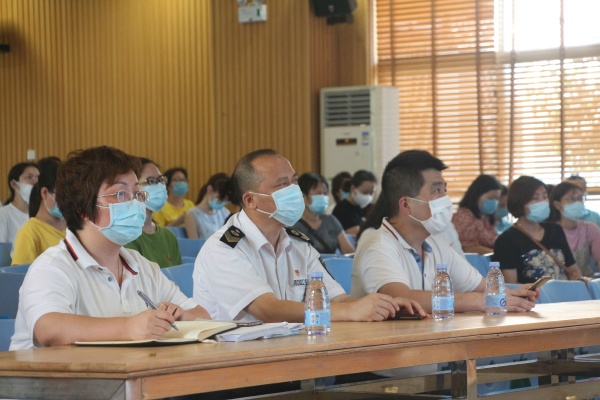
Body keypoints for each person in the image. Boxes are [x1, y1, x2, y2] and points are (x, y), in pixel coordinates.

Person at [10, 146, 209, 350]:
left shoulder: (142, 266)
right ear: (83, 208)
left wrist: (179, 315)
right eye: (120, 193)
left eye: (137, 193)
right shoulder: (52, 267)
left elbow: (203, 317)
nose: (135, 203)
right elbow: (49, 329)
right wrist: (129, 328)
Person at [193, 149, 426, 323]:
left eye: (294, 181)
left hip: (293, 354)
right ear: (251, 200)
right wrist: (350, 311)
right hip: (237, 365)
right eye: (282, 185)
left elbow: (336, 299)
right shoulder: (223, 249)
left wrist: (387, 306)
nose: (295, 190)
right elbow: (268, 311)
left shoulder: (298, 244)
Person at [352, 150, 537, 313]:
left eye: (444, 190)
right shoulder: (377, 245)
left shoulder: (435, 244)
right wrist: (479, 301)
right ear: (406, 204)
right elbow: (402, 299)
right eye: (436, 190)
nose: (445, 199)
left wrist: (515, 295)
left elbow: (484, 289)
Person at [493, 176, 584, 284]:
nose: (542, 202)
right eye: (535, 198)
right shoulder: (506, 240)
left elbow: (573, 270)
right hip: (533, 294)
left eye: (545, 197)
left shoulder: (555, 230)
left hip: (564, 292)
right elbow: (512, 285)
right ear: (519, 202)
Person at [124, 158, 182, 268]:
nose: (159, 186)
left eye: (161, 180)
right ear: (132, 187)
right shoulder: (127, 237)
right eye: (152, 181)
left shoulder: (168, 236)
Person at [11, 158, 66, 265]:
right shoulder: (30, 232)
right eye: (63, 195)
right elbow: (21, 274)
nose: (69, 201)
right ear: (45, 193)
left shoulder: (75, 228)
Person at [292, 173, 354, 255]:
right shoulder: (292, 225)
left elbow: (348, 251)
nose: (323, 197)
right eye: (318, 193)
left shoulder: (330, 220)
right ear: (303, 196)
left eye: (325, 194)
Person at [549, 181, 600, 277]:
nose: (577, 203)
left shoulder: (590, 228)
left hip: (585, 282)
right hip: (556, 283)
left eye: (580, 198)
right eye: (571, 199)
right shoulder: (549, 231)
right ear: (557, 205)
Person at [452, 174, 502, 255]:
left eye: (497, 199)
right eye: (490, 198)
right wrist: (497, 255)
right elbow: (468, 248)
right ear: (477, 195)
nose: (494, 202)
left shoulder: (486, 218)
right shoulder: (463, 218)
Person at [0, 162, 39, 243]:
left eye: (38, 178)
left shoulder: (40, 215)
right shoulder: (3, 215)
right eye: (29, 177)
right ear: (14, 184)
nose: (35, 182)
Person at [184, 173, 231, 239]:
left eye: (225, 200)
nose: (222, 203)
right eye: (219, 199)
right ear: (210, 190)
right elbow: (194, 243)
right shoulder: (192, 215)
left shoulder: (225, 213)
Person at [332, 170, 377, 235]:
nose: (368, 196)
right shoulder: (341, 209)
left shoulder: (369, 208)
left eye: (372, 193)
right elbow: (355, 232)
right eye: (365, 192)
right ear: (353, 188)